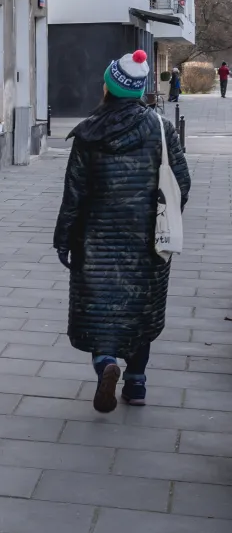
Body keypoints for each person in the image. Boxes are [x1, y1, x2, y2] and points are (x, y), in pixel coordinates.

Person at [55, 49, 190, 413]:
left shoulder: (88, 132)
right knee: (141, 313)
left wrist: (64, 238)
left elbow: (74, 193)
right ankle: (137, 383)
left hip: (96, 242)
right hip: (147, 242)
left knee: (102, 311)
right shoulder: (162, 128)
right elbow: (182, 184)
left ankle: (105, 364)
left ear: (109, 87)